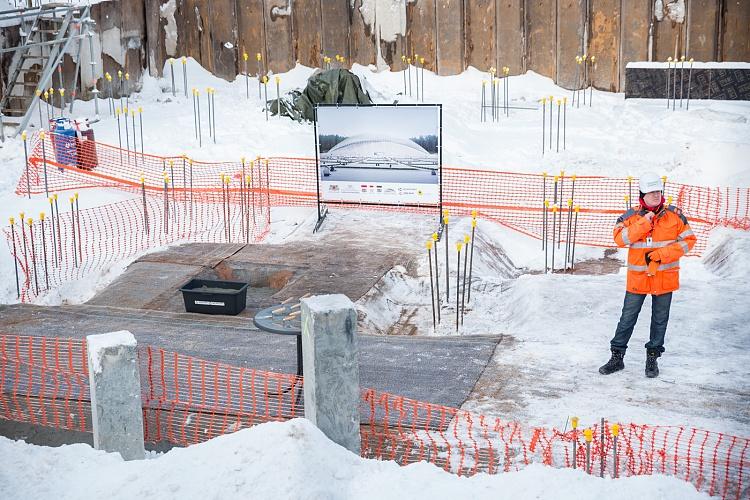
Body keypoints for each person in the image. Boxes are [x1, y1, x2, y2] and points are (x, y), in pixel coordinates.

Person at [599, 172, 696, 378]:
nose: (655, 195)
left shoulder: (675, 216)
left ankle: (652, 359)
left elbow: (689, 241)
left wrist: (662, 254)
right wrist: (644, 222)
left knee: (660, 321)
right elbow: (619, 239)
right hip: (638, 279)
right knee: (627, 319)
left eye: (658, 192)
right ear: (642, 194)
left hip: (664, 279)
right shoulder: (630, 217)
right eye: (651, 192)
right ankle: (617, 358)